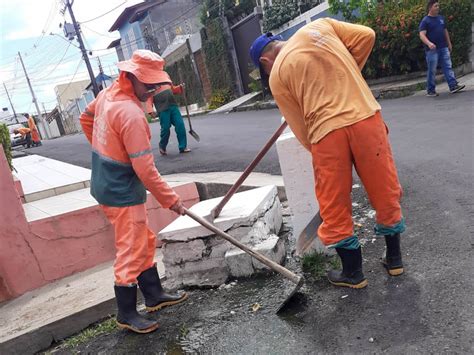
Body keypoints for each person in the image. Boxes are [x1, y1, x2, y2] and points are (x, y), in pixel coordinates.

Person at [250, 18, 406, 289]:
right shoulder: (321, 26)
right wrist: (346, 77)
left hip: (326, 132)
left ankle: (353, 273)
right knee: (385, 188)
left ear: (265, 60)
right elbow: (366, 35)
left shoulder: (276, 76)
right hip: (366, 117)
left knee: (333, 202)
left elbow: (301, 129)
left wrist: (326, 154)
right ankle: (395, 260)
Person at [80, 50, 188, 334]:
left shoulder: (107, 94)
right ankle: (126, 313)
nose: (152, 90)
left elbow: (85, 119)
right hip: (120, 188)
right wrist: (172, 201)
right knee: (130, 247)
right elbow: (146, 171)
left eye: (155, 85)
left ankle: (153, 295)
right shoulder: (129, 113)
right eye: (148, 85)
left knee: (141, 238)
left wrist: (105, 150)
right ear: (132, 76)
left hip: (106, 182)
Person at [419, 0, 465, 96]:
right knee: (432, 70)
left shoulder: (441, 18)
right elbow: (422, 35)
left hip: (443, 47)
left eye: (438, 6)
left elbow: (445, 31)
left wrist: (449, 43)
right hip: (432, 50)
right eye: (436, 6)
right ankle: (430, 90)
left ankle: (453, 86)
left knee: (448, 67)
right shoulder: (425, 21)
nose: (438, 8)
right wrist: (429, 43)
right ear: (430, 7)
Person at [152, 80, 191, 155]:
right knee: (165, 128)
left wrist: (180, 87)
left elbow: (172, 89)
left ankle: (183, 147)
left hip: (173, 106)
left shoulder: (165, 76)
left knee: (180, 125)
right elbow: (149, 96)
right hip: (162, 108)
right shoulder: (150, 79)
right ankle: (162, 145)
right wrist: (150, 110)